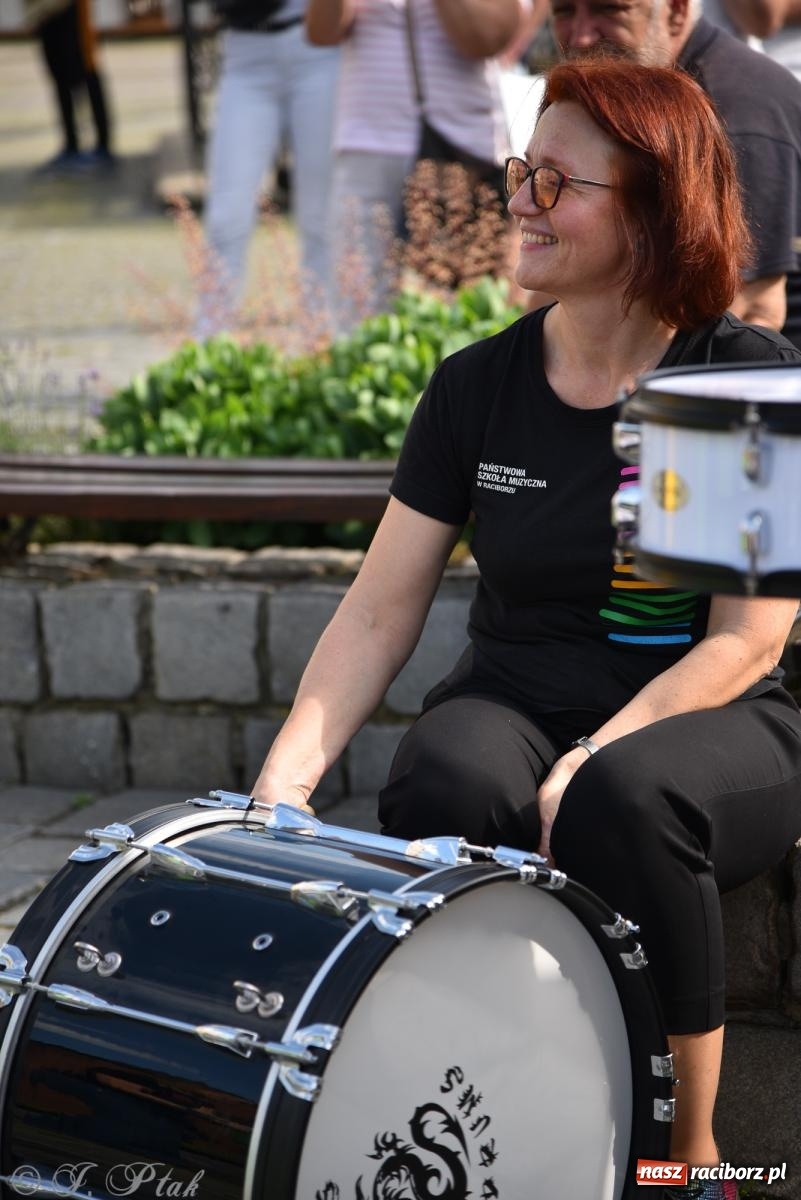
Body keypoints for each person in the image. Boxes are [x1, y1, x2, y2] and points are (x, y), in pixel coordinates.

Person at [251, 58, 801, 1199]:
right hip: (520, 695)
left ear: (651, 209)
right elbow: (378, 607)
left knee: (629, 797)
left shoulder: (725, 383)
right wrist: (282, 790)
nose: (520, 200)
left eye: (559, 182)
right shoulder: (477, 388)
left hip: (712, 713)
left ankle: (684, 1157)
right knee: (446, 774)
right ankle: (505, 1100)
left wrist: (603, 748)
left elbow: (747, 641)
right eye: (521, 171)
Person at [547, 0, 801, 349]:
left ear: (676, 12)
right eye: (563, 12)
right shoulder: (617, 102)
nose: (582, 36)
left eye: (609, 10)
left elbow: (753, 309)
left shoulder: (736, 115)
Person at [304, 0, 527, 330]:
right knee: (359, 314)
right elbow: (321, 33)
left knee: (477, 306)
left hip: (459, 144)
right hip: (366, 141)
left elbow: (490, 37)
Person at [197, 1, 339, 337]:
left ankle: (320, 340)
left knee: (320, 216)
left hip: (317, 47)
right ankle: (208, 344)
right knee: (226, 214)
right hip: (245, 49)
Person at [25, 0, 115, 174]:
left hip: (69, 7)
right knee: (58, 76)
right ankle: (70, 144)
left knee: (86, 68)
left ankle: (103, 145)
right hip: (42, 11)